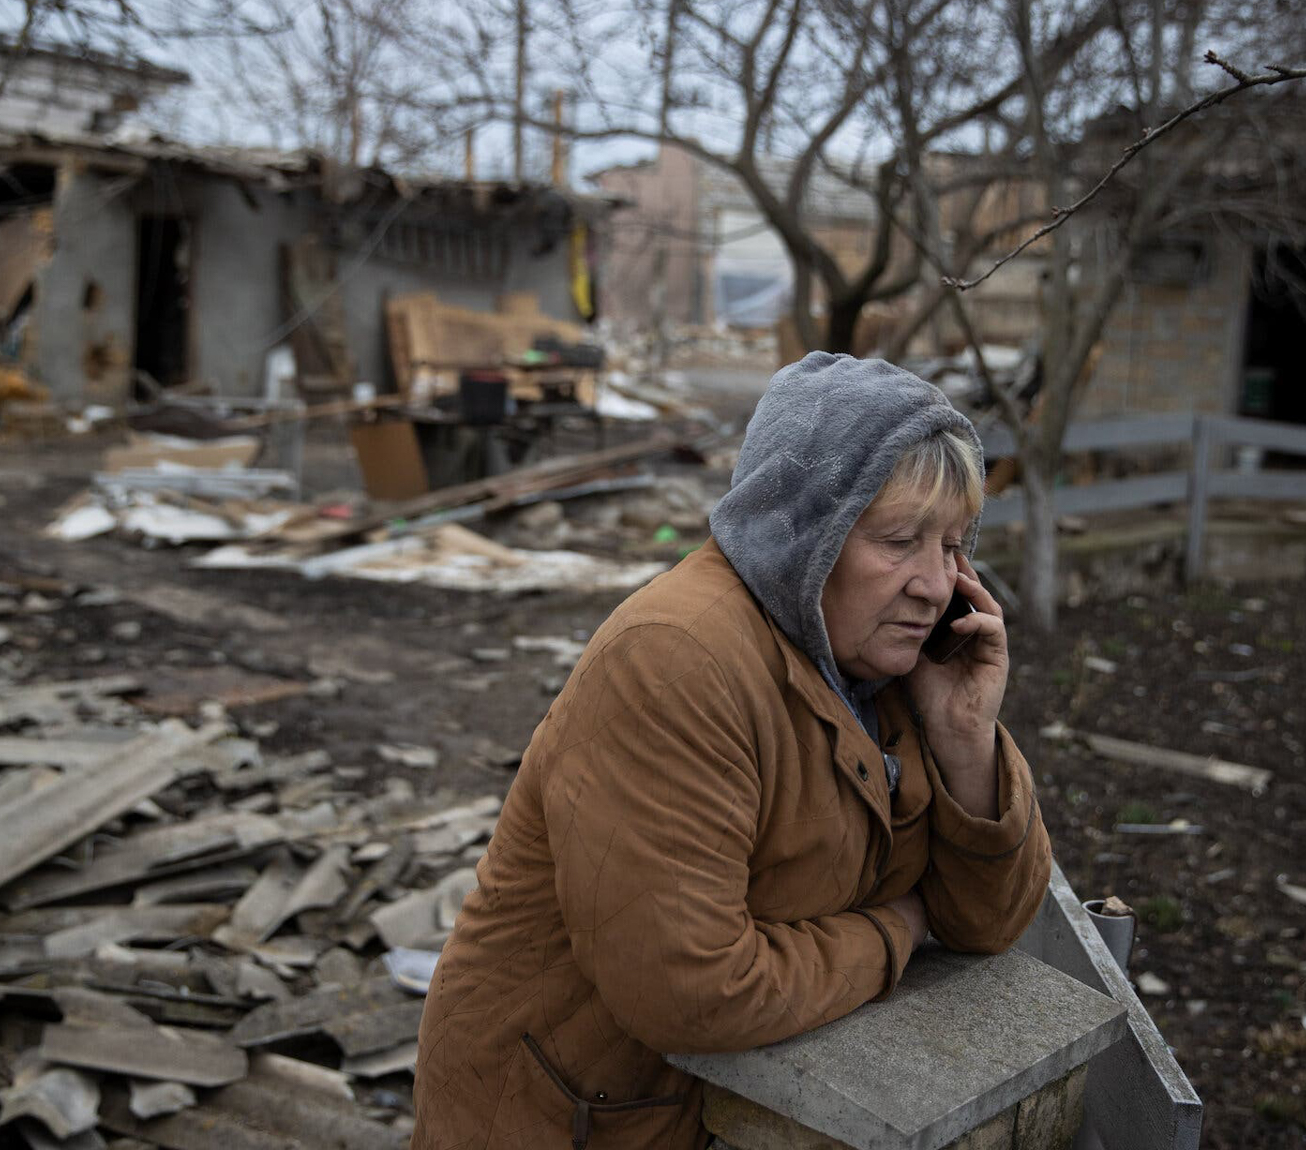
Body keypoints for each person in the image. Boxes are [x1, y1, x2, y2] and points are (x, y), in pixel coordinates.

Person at [411, 352, 1053, 1149]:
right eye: (898, 541)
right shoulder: (675, 660)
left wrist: (966, 740)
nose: (934, 583)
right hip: (572, 1116)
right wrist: (898, 930)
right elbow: (691, 989)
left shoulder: (893, 666)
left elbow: (989, 923)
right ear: (802, 530)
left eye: (954, 545)